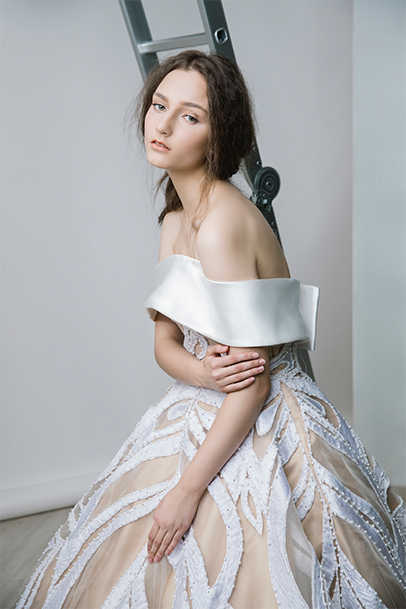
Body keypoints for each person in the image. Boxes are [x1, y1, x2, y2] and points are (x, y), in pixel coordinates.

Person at [17, 50, 406, 609]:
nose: (163, 125)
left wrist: (186, 491)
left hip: (260, 410)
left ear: (218, 134)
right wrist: (202, 372)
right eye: (158, 106)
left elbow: (253, 384)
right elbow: (164, 343)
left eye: (190, 116)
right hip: (206, 395)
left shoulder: (222, 224)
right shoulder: (175, 218)